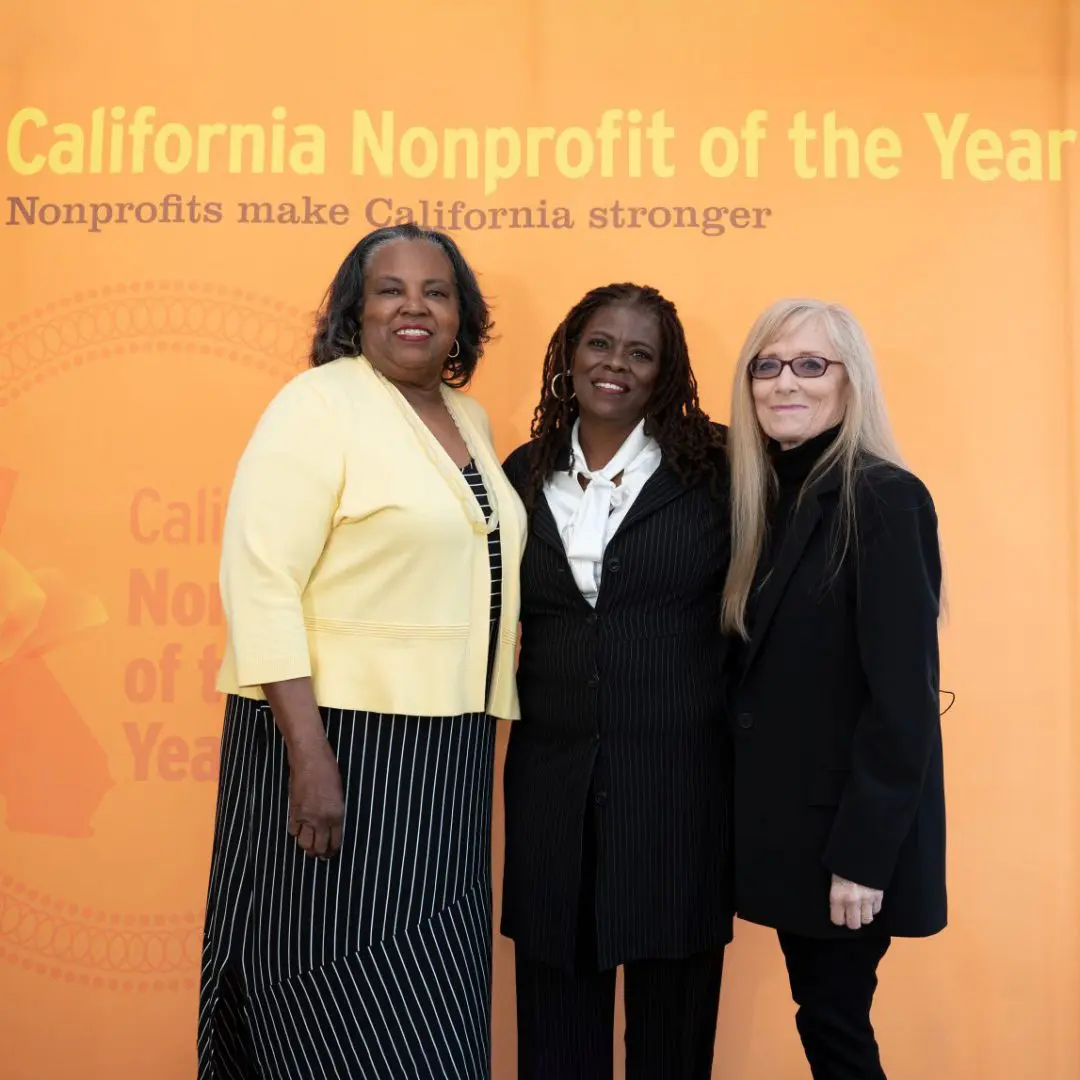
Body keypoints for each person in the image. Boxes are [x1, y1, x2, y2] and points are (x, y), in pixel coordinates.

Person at [197, 223, 525, 1080]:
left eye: (437, 291)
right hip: (337, 740)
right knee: (328, 984)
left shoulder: (469, 417)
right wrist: (308, 757)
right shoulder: (317, 404)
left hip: (446, 752)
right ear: (356, 310)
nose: (414, 307)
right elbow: (260, 579)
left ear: (463, 316)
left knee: (434, 989)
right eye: (391, 290)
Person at [500, 283, 732, 1080]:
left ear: (664, 372)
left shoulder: (719, 469)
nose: (616, 365)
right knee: (556, 1048)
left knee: (672, 1046)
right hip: (553, 802)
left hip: (680, 801)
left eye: (641, 352)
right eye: (600, 344)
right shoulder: (521, 473)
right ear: (569, 354)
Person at [722, 298, 947, 1079]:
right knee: (826, 1018)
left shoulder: (883, 497)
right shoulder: (765, 500)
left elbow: (904, 700)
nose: (787, 382)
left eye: (812, 364)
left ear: (852, 383)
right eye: (769, 365)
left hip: (844, 844)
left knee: (835, 1025)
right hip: (791, 831)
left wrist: (862, 857)